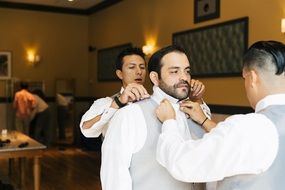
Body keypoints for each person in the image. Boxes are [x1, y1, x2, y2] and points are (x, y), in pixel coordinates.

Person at [156, 40, 285, 190]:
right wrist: (204, 121)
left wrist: (169, 123)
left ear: (252, 77)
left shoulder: (254, 126)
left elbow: (182, 163)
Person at [101, 45, 211, 190]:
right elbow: (114, 176)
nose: (184, 77)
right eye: (174, 71)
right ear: (155, 78)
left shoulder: (197, 113)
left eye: (187, 71)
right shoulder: (130, 115)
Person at [80, 47, 208, 138]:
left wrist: (196, 99)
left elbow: (201, 126)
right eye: (132, 67)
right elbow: (87, 130)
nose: (139, 72)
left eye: (142, 67)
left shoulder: (160, 102)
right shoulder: (107, 102)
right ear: (120, 73)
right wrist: (118, 103)